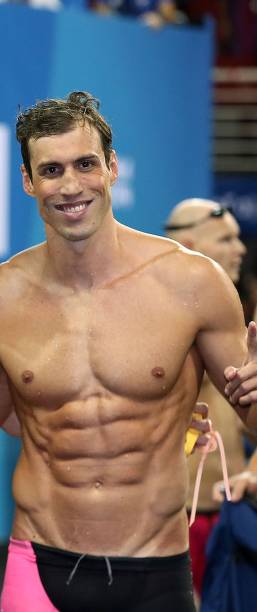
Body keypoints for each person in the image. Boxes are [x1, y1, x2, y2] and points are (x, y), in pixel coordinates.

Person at [0, 91, 257, 611]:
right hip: (39, 562)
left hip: (155, 570)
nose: (70, 186)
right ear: (28, 181)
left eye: (85, 164)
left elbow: (251, 417)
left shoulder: (193, 282)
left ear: (112, 167)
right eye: (50, 169)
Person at [164, 198, 257, 597]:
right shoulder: (150, 318)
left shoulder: (244, 319)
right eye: (226, 238)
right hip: (170, 517)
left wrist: (254, 472)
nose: (240, 249)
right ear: (187, 243)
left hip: (232, 515)